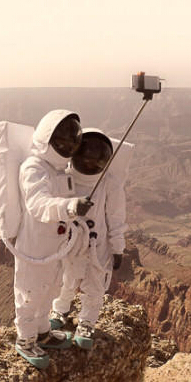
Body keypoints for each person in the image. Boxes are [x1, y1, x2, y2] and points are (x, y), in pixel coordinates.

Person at [13, 110, 92, 369]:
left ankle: (42, 331)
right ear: (47, 137)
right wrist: (69, 206)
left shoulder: (59, 169)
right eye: (63, 139)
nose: (68, 145)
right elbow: (37, 204)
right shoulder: (33, 168)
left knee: (50, 288)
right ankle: (25, 339)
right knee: (30, 292)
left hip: (55, 245)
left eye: (72, 140)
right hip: (34, 245)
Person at [49, 128, 128, 350]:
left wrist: (117, 247)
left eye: (97, 158)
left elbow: (116, 217)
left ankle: (86, 322)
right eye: (87, 156)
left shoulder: (109, 183)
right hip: (69, 240)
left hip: (97, 243)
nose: (91, 162)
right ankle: (60, 310)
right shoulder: (65, 176)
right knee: (65, 277)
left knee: (95, 283)